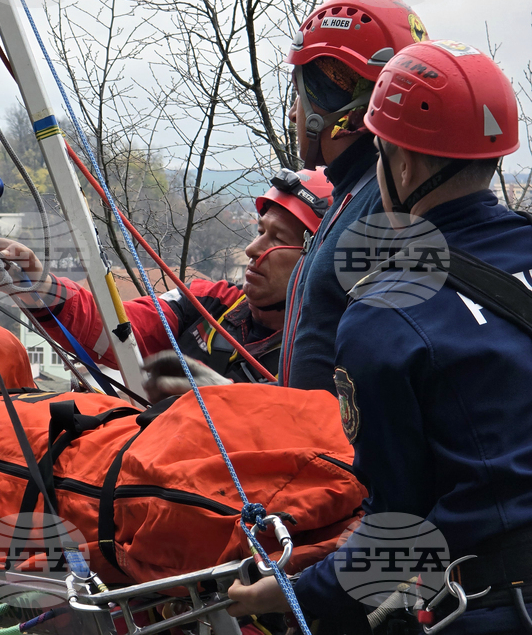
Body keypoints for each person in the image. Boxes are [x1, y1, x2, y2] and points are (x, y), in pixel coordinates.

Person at [228, 41, 532, 633]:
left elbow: (396, 538)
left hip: (497, 609)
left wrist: (282, 594)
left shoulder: (387, 314)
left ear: (401, 163)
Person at [0, 169, 332, 398]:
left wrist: (223, 400)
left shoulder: (321, 356)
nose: (253, 250)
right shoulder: (207, 304)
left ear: (316, 254)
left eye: (275, 240)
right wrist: (42, 288)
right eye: (259, 232)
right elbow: (121, 331)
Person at [280, 0, 430, 393]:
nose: (294, 112)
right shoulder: (356, 191)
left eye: (300, 93)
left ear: (335, 101)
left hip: (339, 450)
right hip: (313, 440)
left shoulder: (383, 204)